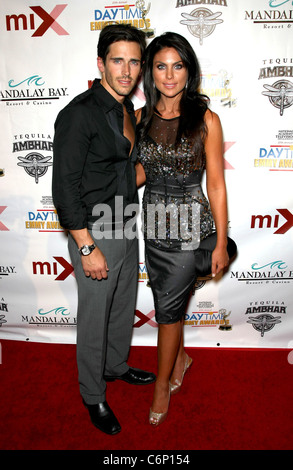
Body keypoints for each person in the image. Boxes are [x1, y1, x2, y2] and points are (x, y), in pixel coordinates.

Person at [52, 24, 156, 436]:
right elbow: (64, 188)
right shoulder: (80, 113)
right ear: (101, 63)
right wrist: (85, 246)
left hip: (127, 223)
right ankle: (93, 394)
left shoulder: (127, 110)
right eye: (118, 60)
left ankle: (115, 367)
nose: (127, 70)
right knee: (94, 318)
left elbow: (123, 174)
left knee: (120, 308)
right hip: (96, 232)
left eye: (134, 61)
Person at [135, 32, 236, 426]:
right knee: (168, 301)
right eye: (161, 66)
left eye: (178, 65)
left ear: (189, 70)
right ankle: (182, 358)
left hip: (191, 226)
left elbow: (215, 185)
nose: (169, 75)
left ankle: (162, 385)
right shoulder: (141, 118)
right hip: (154, 224)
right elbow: (144, 172)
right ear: (151, 72)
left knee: (166, 312)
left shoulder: (206, 120)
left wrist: (221, 244)